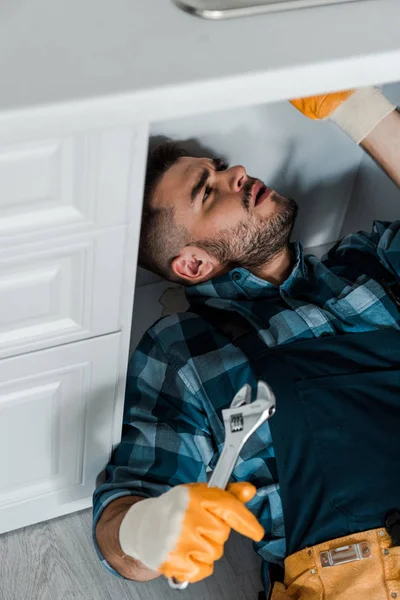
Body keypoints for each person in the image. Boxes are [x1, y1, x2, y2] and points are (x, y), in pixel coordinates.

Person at [93, 88, 400, 599]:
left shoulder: (370, 262)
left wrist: (361, 109)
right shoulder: (183, 349)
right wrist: (146, 531)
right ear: (193, 265)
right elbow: (120, 519)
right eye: (207, 192)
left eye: (217, 168)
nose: (235, 172)